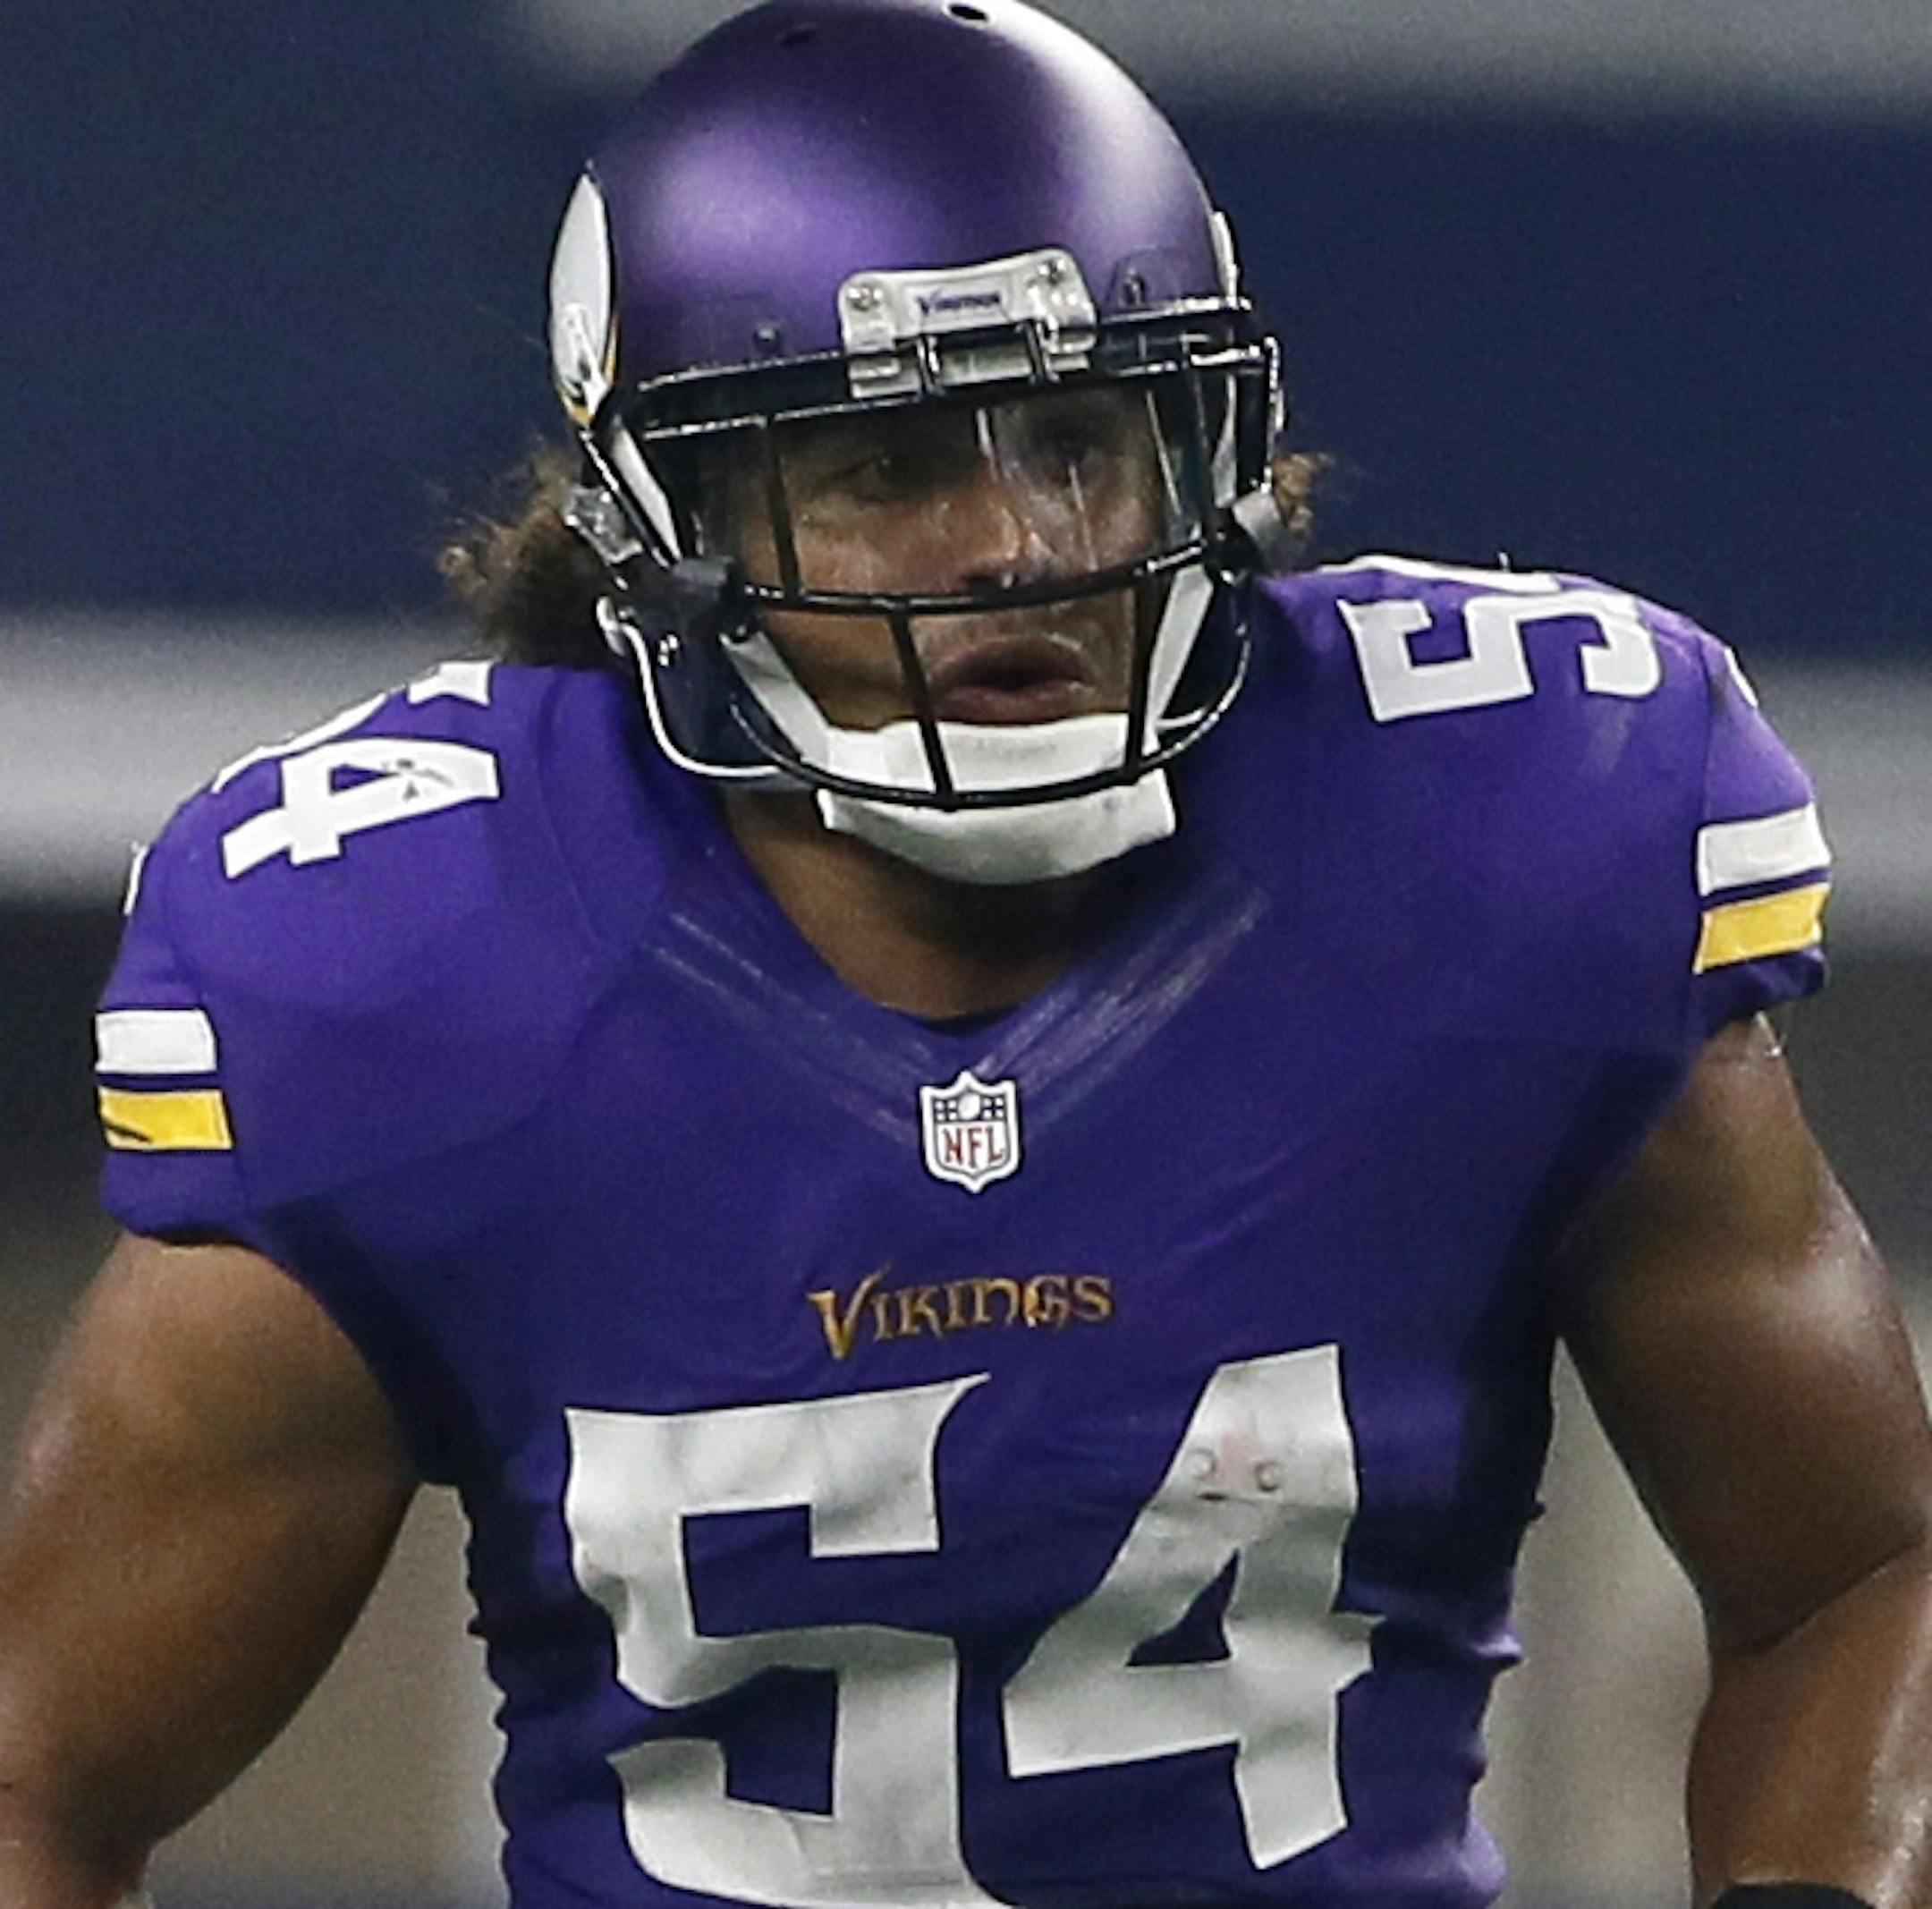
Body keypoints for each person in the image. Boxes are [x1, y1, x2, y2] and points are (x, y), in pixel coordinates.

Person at [2, 0, 1928, 1904]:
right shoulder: (405, 963)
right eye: (889, 462)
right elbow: (41, 1775)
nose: (1015, 540)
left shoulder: (1512, 835)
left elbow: (1861, 1573)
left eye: (1085, 436)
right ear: (652, 525)